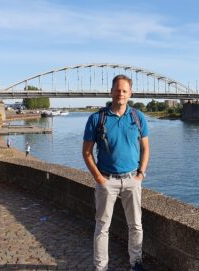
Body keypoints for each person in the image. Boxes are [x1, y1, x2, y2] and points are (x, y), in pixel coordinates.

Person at [82, 75, 149, 271]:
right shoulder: (97, 118)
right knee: (102, 227)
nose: (120, 94)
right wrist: (98, 178)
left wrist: (140, 175)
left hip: (131, 179)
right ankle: (100, 267)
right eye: (117, 90)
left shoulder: (138, 117)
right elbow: (86, 152)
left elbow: (146, 148)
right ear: (111, 92)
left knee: (136, 225)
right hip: (107, 180)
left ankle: (135, 263)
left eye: (124, 91)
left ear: (130, 94)